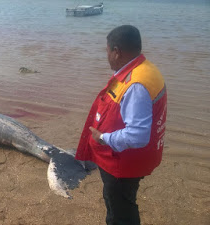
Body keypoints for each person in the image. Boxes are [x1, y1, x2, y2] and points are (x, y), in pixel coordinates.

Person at [75, 25, 167, 225]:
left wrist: (103, 138)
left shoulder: (136, 85)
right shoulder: (146, 69)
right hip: (132, 161)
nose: (106, 56)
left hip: (122, 164)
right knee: (124, 203)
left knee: (120, 212)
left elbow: (137, 136)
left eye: (107, 51)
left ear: (117, 52)